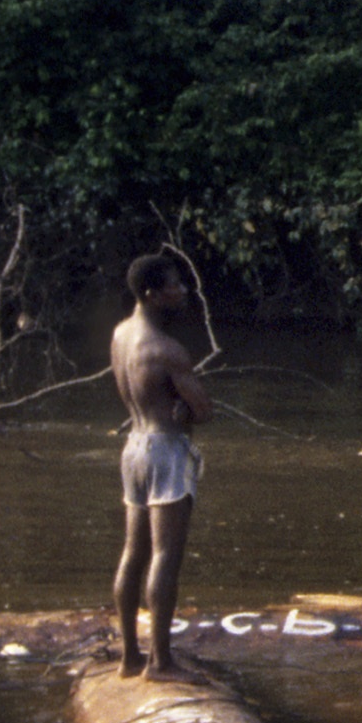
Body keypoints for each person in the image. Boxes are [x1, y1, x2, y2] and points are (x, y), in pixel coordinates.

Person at [109, 255, 210, 676]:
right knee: (165, 555)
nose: (184, 291)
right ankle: (161, 661)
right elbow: (203, 410)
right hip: (165, 449)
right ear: (152, 294)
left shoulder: (120, 335)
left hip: (133, 445)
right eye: (175, 286)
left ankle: (130, 656)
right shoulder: (169, 351)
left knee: (134, 552)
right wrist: (188, 411)